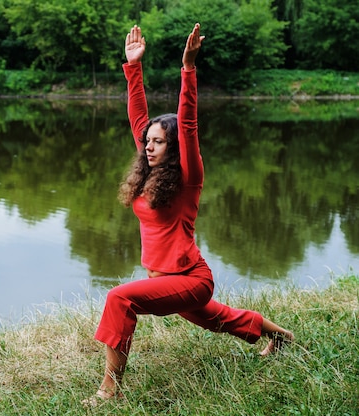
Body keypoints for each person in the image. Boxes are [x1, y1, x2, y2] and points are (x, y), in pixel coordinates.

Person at [85, 23, 294, 404]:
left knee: (119, 299)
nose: (149, 146)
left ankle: (109, 390)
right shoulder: (149, 171)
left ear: (174, 146)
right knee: (220, 320)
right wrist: (133, 68)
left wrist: (188, 67)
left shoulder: (188, 178)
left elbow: (189, 123)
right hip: (164, 278)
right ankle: (282, 337)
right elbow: (138, 116)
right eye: (147, 141)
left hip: (190, 278)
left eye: (158, 141)